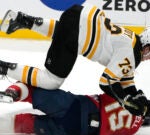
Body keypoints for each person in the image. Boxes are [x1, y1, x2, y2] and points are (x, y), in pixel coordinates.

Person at [0, 4, 150, 116]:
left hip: (78, 13)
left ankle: (24, 20)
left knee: (64, 32)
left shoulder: (133, 40)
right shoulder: (131, 55)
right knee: (51, 81)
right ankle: (4, 67)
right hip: (75, 34)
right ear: (147, 48)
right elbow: (107, 82)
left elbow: (125, 79)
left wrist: (137, 97)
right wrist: (126, 101)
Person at [0, 82, 150, 135]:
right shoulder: (132, 130)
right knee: (27, 124)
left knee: (32, 91)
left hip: (76, 107)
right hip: (75, 132)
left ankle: (13, 92)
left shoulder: (127, 98)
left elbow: (110, 84)